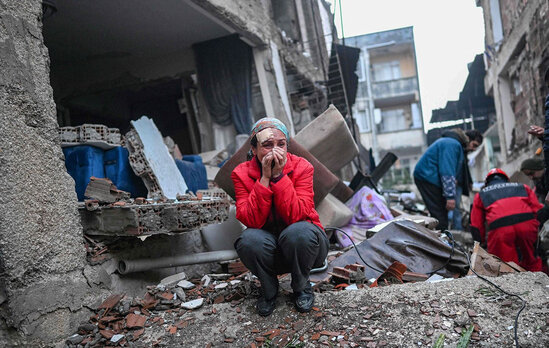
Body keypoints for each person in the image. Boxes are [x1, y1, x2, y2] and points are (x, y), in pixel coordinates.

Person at [231, 117, 329, 316]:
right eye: (267, 145)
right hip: (270, 252)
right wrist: (265, 179)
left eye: (281, 144)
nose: (276, 150)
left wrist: (279, 176)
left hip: (306, 247)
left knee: (298, 232)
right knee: (248, 240)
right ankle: (269, 290)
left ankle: (302, 287)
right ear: (255, 149)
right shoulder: (240, 174)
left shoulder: (303, 167)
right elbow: (252, 220)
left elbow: (297, 216)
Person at [470, 168, 544, 271]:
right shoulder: (523, 187)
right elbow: (538, 210)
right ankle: (539, 282)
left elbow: (476, 224)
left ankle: (512, 284)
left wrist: (480, 242)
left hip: (501, 230)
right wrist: (538, 231)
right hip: (527, 225)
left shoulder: (481, 195)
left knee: (505, 264)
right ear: (507, 179)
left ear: (487, 183)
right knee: (532, 258)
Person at [413, 128, 482, 231]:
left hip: (428, 178)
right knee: (440, 216)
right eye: (474, 145)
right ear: (467, 139)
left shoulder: (451, 143)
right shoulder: (452, 144)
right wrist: (450, 196)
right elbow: (447, 171)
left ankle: (441, 238)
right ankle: (442, 241)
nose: (474, 149)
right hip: (428, 178)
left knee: (440, 214)